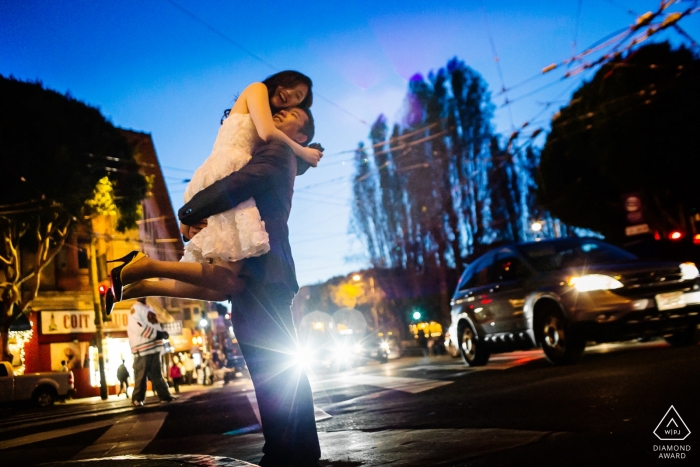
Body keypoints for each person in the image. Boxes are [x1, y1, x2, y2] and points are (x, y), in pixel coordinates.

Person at [103, 71, 321, 311]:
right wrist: (305, 153)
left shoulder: (267, 120)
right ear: (280, 81)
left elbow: (276, 157)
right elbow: (271, 137)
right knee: (228, 278)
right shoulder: (257, 89)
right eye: (291, 87)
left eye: (297, 99)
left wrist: (304, 154)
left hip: (222, 176)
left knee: (227, 286)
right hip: (226, 175)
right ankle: (145, 266)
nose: (289, 95)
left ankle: (145, 285)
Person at [178, 108, 321, 466]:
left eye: (288, 115)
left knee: (269, 367)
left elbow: (237, 185)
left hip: (262, 273)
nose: (274, 115)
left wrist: (189, 211)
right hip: (267, 273)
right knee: (281, 365)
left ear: (299, 136)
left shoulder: (277, 151)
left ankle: (282, 452)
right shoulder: (281, 152)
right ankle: (300, 449)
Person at [127, 298, 174, 406]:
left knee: (156, 374)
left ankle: (164, 396)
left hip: (151, 347)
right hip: (142, 347)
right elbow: (138, 326)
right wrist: (157, 334)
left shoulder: (149, 308)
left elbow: (153, 325)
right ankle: (138, 399)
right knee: (141, 375)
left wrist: (161, 333)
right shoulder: (136, 308)